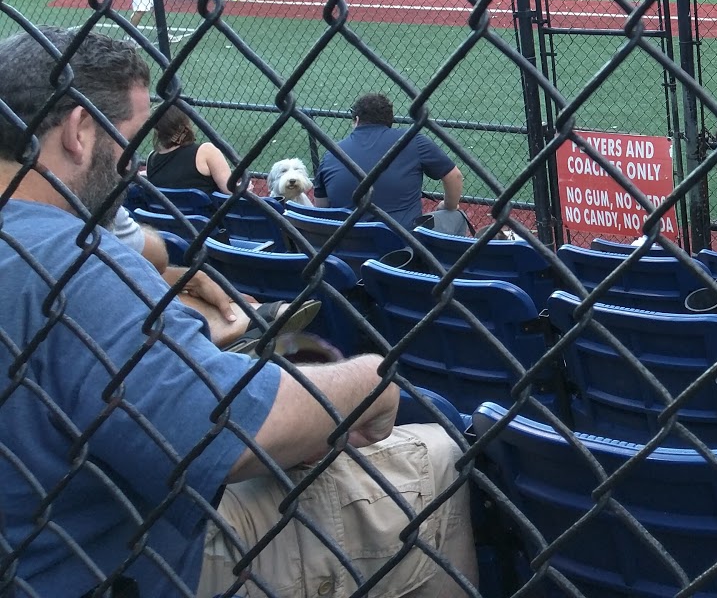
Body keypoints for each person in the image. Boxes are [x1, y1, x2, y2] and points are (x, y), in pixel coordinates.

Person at [0, 29, 476, 597]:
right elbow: (228, 433)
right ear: (79, 133)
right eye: (130, 140)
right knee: (440, 456)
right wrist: (371, 380)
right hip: (128, 568)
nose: (133, 169)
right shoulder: (73, 259)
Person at [314, 92, 465, 229]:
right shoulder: (412, 140)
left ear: (357, 120)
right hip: (403, 249)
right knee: (455, 215)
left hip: (347, 247)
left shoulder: (332, 153)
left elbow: (321, 209)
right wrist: (448, 206)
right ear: (390, 120)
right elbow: (454, 176)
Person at [145, 103, 233, 194]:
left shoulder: (152, 159)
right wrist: (246, 188)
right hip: (206, 208)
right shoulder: (206, 152)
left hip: (164, 208)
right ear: (185, 124)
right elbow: (230, 191)